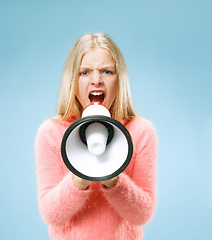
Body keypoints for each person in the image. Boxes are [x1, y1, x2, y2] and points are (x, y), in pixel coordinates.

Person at [35, 33, 158, 240]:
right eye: (84, 72)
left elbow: (142, 215)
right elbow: (50, 214)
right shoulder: (51, 132)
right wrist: (79, 177)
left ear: (119, 80)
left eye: (106, 71)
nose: (96, 80)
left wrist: (113, 178)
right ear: (72, 81)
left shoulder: (141, 131)